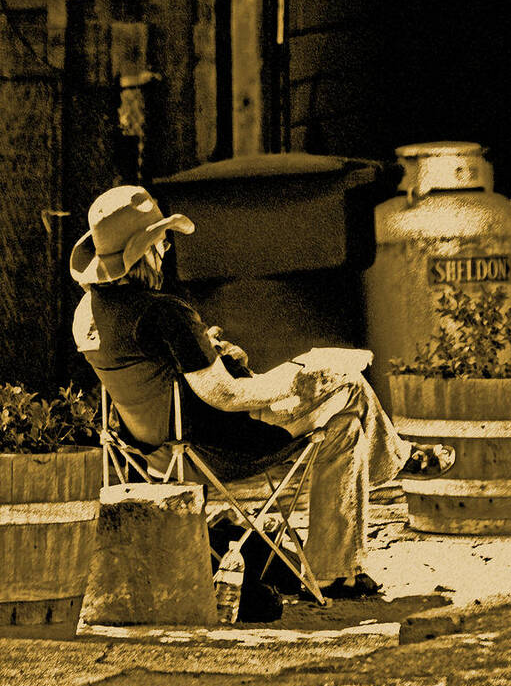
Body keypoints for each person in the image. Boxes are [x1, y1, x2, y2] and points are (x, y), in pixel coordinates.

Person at [71, 185, 455, 598]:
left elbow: (152, 370)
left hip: (153, 455)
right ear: (142, 252)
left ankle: (337, 571)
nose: (166, 247)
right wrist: (296, 380)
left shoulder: (88, 314)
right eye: (159, 239)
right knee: (349, 384)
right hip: (219, 449)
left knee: (345, 430)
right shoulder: (163, 311)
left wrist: (208, 348)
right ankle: (395, 460)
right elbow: (226, 396)